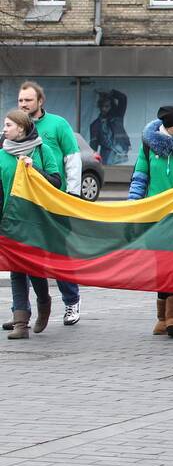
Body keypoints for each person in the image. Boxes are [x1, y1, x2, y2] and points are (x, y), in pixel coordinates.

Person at [128, 105, 173, 337]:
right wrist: (133, 205)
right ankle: (161, 317)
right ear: (166, 126)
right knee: (160, 265)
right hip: (155, 214)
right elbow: (140, 176)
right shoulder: (149, 145)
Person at [18, 80, 83, 326]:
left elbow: (73, 158)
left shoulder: (58, 124)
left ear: (40, 102)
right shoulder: (14, 127)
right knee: (21, 256)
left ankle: (71, 302)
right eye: (21, 100)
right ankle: (20, 312)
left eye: (28, 100)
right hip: (25, 204)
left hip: (56, 200)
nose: (23, 104)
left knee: (59, 254)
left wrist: (72, 196)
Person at [3, 110, 62, 339]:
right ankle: (21, 324)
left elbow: (56, 182)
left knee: (35, 269)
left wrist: (33, 168)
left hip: (37, 222)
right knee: (16, 271)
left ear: (21, 128)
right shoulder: (2, 155)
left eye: (8, 125)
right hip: (11, 222)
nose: (4, 129)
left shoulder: (41, 150)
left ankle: (44, 303)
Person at [88, 89, 130, 165]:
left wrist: (112, 93)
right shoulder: (95, 125)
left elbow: (123, 98)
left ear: (111, 106)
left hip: (121, 154)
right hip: (107, 156)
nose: (104, 109)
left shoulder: (117, 116)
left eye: (107, 106)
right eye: (102, 106)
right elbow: (93, 147)